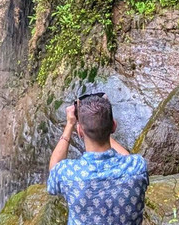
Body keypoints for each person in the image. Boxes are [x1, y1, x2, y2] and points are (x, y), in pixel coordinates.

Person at [46, 92, 148, 225]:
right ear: (114, 126)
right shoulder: (137, 166)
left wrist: (70, 124)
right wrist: (102, 127)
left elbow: (54, 169)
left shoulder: (68, 174)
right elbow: (127, 158)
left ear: (80, 131)